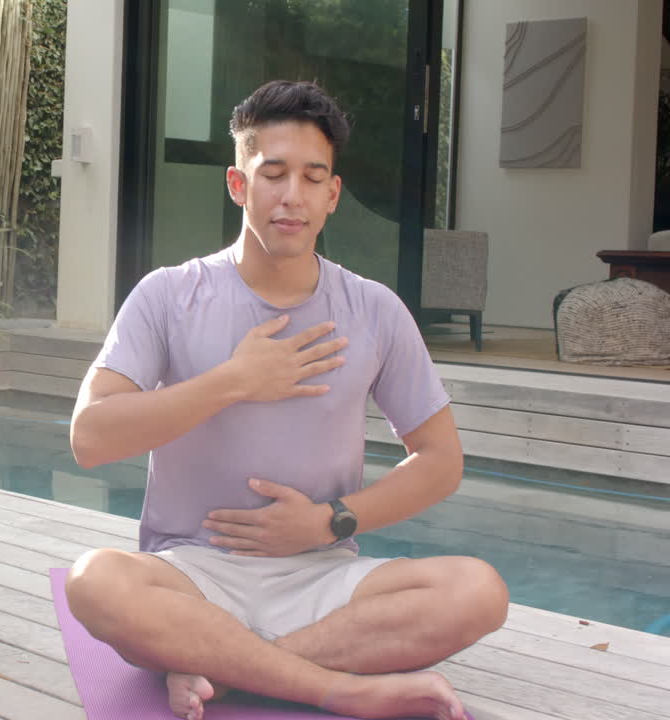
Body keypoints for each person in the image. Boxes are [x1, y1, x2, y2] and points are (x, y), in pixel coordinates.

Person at [64, 80, 508, 720]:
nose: (291, 196)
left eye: (311, 177)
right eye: (272, 174)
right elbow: (90, 437)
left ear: (333, 194)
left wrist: (332, 520)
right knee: (94, 581)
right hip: (192, 576)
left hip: (323, 575)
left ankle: (225, 667)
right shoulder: (167, 295)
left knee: (478, 591)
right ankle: (338, 688)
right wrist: (234, 381)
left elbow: (441, 461)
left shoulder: (375, 310)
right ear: (238, 184)